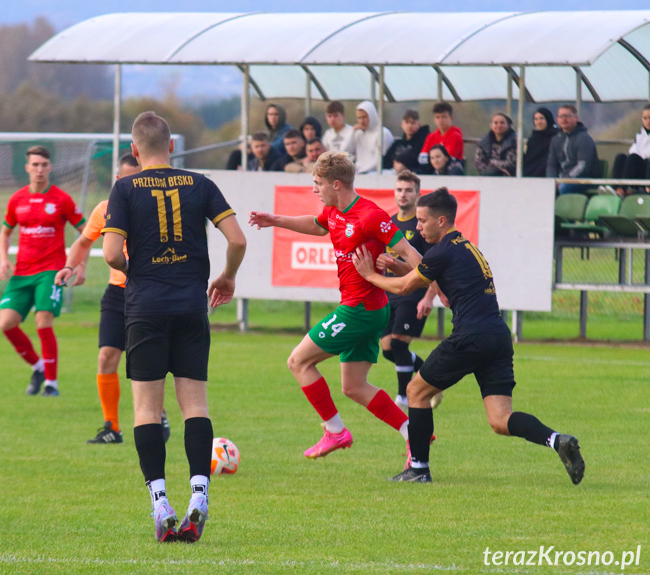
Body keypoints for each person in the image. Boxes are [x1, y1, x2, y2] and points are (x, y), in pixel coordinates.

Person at [352, 187, 585, 485]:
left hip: (470, 335)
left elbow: (404, 288)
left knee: (416, 391)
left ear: (442, 221)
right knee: (500, 420)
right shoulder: (464, 247)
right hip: (498, 336)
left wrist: (369, 274)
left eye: (422, 221)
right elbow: (437, 281)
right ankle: (557, 440)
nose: (418, 227)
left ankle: (419, 469)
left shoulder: (441, 251)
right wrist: (397, 266)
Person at [102, 111, 246, 543]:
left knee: (147, 409)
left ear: (133, 150)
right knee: (195, 406)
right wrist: (227, 277)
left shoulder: (124, 187)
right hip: (190, 307)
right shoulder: (200, 183)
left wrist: (136, 271)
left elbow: (111, 254)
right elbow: (238, 239)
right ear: (171, 147)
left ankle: (160, 501)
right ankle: (199, 495)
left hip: (145, 306)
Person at [249, 151, 423, 467]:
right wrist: (274, 220)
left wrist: (431, 289)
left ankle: (335, 430)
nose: (315, 189)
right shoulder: (333, 210)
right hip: (366, 309)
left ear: (337, 184)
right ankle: (414, 433)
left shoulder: (371, 216)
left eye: (318, 184)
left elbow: (411, 253)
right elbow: (317, 227)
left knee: (298, 362)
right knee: (354, 387)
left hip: (360, 310)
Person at [55, 154, 171, 445]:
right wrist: (70, 266)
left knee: (145, 360)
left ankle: (159, 412)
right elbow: (83, 241)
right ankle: (112, 428)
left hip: (148, 293)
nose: (133, 183)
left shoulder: (156, 207)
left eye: (138, 178)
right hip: (117, 293)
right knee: (107, 356)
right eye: (127, 178)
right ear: (119, 180)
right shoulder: (105, 209)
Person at [0, 145, 86, 397]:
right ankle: (38, 367)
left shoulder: (61, 199)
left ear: (51, 168)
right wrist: (4, 259)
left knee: (42, 321)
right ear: (27, 168)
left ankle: (51, 384)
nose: (39, 169)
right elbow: (5, 233)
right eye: (34, 165)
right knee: (6, 323)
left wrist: (80, 265)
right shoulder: (17, 199)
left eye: (44, 165)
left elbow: (86, 232)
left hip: (51, 271)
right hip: (22, 272)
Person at [379, 171, 441, 411]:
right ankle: (433, 380)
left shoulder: (422, 225)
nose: (402, 194)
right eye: (399, 190)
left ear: (418, 194)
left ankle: (403, 396)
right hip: (390, 293)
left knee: (398, 345)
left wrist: (428, 297)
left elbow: (433, 264)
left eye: (407, 190)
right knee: (386, 349)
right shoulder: (388, 222)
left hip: (414, 293)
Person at [546, 104, 599, 195]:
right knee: (544, 187)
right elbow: (551, 164)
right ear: (557, 119)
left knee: (564, 187)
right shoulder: (556, 139)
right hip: (562, 179)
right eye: (561, 116)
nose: (564, 119)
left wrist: (564, 180)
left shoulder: (584, 139)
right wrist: (552, 181)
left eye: (567, 116)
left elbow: (583, 166)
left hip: (584, 180)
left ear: (576, 118)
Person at [612, 103, 650, 194]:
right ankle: (615, 188)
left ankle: (623, 188)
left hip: (647, 170)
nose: (648, 121)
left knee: (633, 158)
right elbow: (633, 150)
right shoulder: (640, 135)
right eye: (645, 118)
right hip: (640, 167)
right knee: (621, 157)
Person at [350, 101, 394, 174]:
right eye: (359, 118)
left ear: (372, 116)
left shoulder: (383, 133)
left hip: (377, 173)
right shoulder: (358, 133)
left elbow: (380, 161)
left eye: (364, 117)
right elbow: (345, 151)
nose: (361, 121)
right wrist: (352, 132)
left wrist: (362, 171)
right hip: (359, 172)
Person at [419, 102, 464, 168]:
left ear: (451, 118)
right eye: (437, 117)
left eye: (444, 117)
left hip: (451, 169)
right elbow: (422, 158)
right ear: (434, 120)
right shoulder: (431, 136)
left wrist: (431, 159)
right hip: (432, 168)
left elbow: (447, 159)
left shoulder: (456, 136)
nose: (440, 120)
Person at [522, 107, 558, 178]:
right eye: (536, 119)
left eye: (542, 118)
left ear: (548, 119)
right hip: (529, 175)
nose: (539, 122)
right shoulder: (532, 138)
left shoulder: (556, 136)